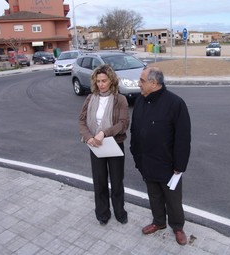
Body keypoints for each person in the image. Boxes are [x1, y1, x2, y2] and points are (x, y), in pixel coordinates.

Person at [130, 66, 191, 245]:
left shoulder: (175, 104)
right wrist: (136, 154)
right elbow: (135, 129)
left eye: (141, 81)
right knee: (154, 195)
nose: (138, 84)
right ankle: (158, 222)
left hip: (168, 165)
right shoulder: (141, 101)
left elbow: (183, 137)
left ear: (153, 83)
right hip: (146, 161)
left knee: (173, 199)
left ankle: (178, 227)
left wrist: (179, 166)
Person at [79, 64, 129, 226]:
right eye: (98, 81)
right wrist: (88, 137)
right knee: (99, 181)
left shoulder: (119, 99)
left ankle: (120, 212)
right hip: (95, 145)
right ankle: (102, 213)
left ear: (111, 81)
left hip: (114, 144)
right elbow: (81, 120)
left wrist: (104, 133)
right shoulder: (90, 98)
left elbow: (123, 124)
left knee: (116, 182)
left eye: (104, 80)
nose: (101, 84)